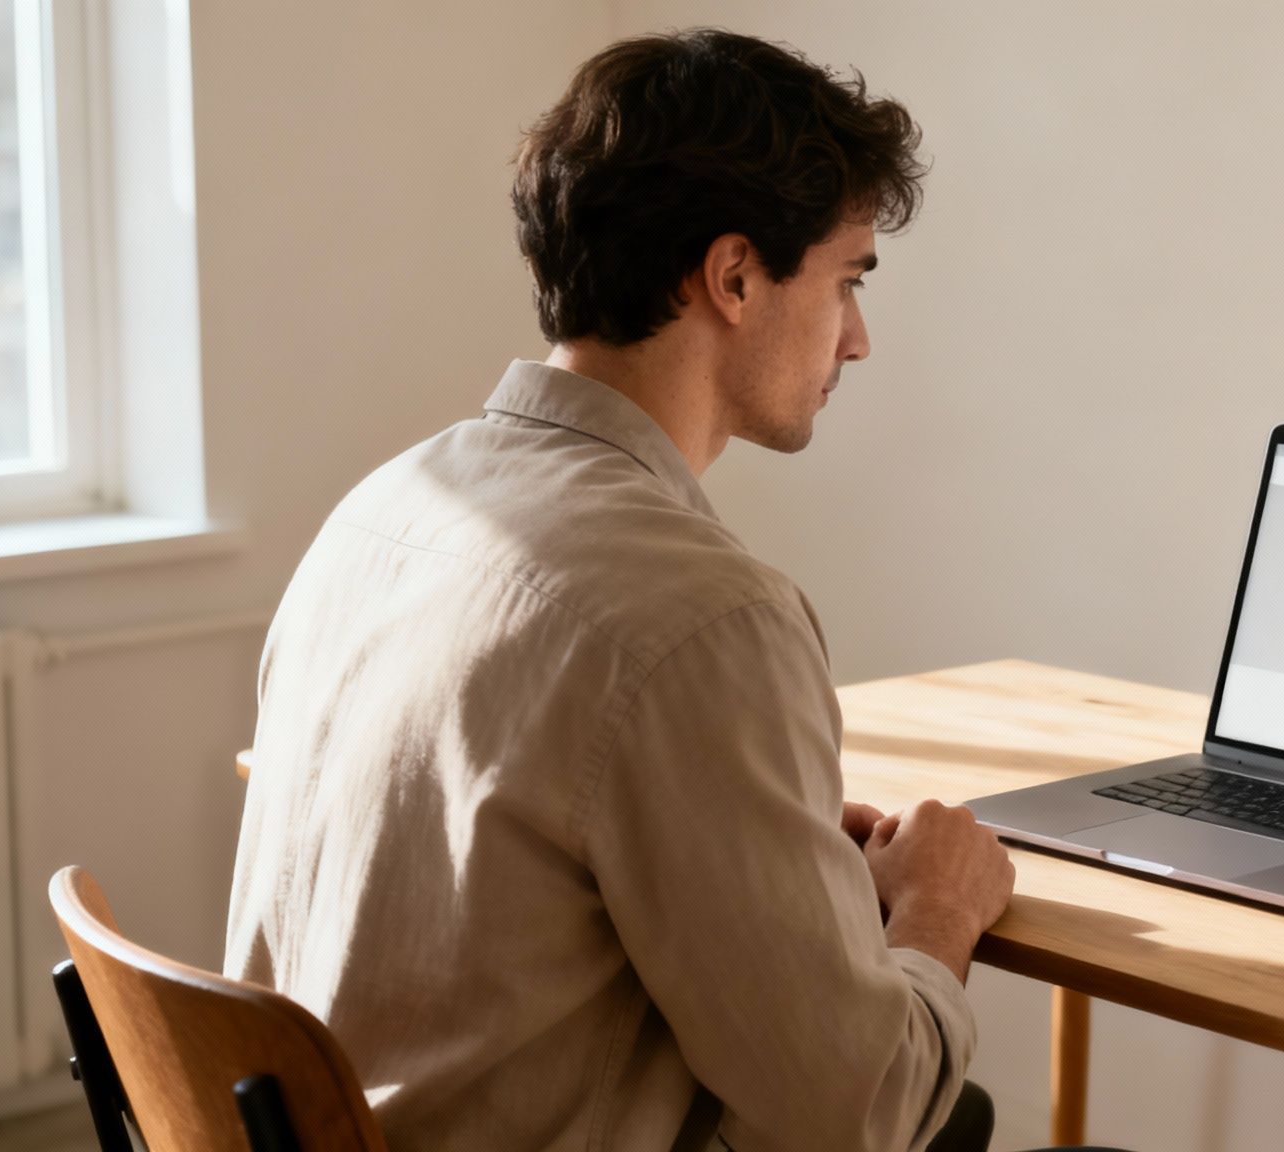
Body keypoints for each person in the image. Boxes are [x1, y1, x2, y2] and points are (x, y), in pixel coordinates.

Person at [226, 30, 1021, 1152]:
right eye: (846, 279)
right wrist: (937, 910)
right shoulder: (703, 617)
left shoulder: (382, 511)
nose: (858, 338)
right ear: (734, 275)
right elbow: (857, 1115)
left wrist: (766, 846)